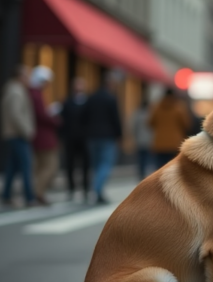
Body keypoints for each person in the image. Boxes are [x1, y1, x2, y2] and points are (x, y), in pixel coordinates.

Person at [81, 71, 122, 205]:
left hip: (92, 136)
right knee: (105, 164)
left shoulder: (91, 98)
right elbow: (116, 119)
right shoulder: (111, 98)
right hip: (107, 136)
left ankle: (97, 191)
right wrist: (119, 135)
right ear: (109, 84)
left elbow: (83, 116)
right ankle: (97, 189)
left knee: (96, 165)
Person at [0, 65, 36, 207]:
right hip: (18, 134)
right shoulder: (16, 91)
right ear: (20, 76)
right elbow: (15, 115)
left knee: (12, 167)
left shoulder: (13, 90)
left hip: (13, 134)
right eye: (26, 75)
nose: (28, 78)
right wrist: (27, 131)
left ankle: (6, 195)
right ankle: (29, 197)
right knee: (27, 166)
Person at [28, 66, 60, 206]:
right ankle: (38, 193)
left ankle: (36, 192)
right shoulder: (36, 94)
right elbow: (41, 115)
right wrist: (54, 119)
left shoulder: (33, 93)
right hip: (43, 137)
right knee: (50, 166)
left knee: (40, 167)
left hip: (38, 136)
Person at [60, 77, 90, 201]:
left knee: (85, 165)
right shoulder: (67, 102)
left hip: (84, 138)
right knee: (70, 164)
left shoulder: (88, 102)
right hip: (70, 138)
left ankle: (85, 189)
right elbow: (63, 120)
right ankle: (71, 189)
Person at [149, 88, 192, 169]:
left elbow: (150, 123)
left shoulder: (157, 107)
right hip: (175, 143)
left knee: (160, 167)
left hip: (159, 142)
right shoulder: (179, 107)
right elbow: (187, 124)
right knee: (173, 167)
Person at [130, 97, 154, 180]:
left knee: (140, 158)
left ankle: (141, 174)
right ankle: (146, 175)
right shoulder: (151, 114)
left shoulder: (137, 114)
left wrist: (134, 137)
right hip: (149, 140)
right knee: (148, 159)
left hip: (139, 140)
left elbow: (133, 127)